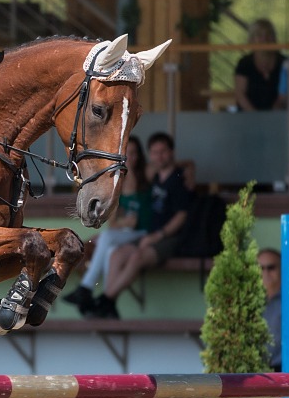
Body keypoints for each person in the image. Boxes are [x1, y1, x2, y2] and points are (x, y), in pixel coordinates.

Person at [89, 132, 192, 317]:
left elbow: (181, 216)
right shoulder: (153, 178)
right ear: (150, 155)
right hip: (148, 236)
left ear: (172, 152)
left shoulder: (179, 181)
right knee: (116, 255)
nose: (159, 156)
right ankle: (108, 304)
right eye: (155, 152)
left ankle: (106, 300)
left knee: (136, 256)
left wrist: (158, 235)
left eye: (163, 151)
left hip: (170, 238)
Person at [62, 136, 152, 318]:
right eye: (127, 154)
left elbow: (181, 165)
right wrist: (125, 222)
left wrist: (132, 172)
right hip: (127, 233)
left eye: (134, 153)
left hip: (146, 232)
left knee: (107, 238)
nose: (130, 158)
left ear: (140, 155)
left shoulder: (147, 173)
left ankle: (86, 288)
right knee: (109, 250)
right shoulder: (119, 182)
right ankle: (106, 305)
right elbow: (113, 222)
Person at [234, 18, 285, 111]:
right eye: (259, 35)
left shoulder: (284, 62)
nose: (264, 39)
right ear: (252, 39)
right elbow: (240, 94)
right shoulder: (244, 63)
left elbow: (288, 93)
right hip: (248, 118)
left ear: (274, 38)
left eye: (268, 34)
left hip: (279, 118)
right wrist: (255, 116)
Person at [257, 248, 282, 372]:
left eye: (271, 267)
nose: (265, 272)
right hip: (254, 371)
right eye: (261, 268)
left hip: (283, 371)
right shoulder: (248, 302)